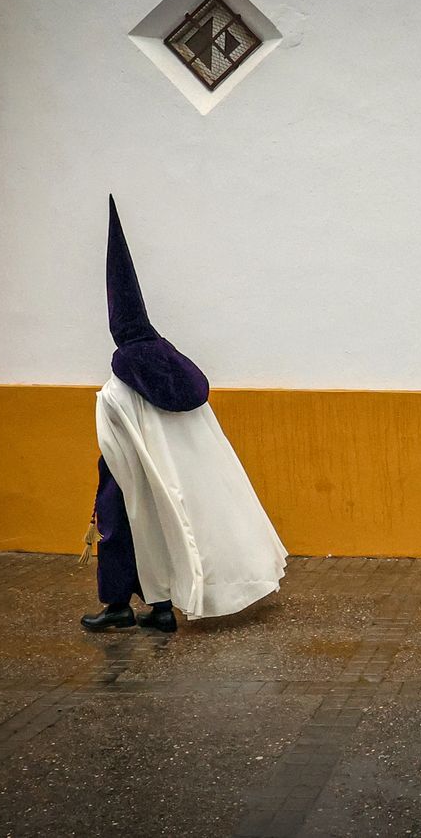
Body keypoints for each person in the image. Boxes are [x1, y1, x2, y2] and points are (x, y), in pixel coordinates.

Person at [81, 196, 287, 633]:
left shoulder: (119, 382)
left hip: (132, 472)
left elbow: (114, 441)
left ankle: (122, 604)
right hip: (177, 474)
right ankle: (158, 608)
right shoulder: (174, 363)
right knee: (169, 526)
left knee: (124, 524)